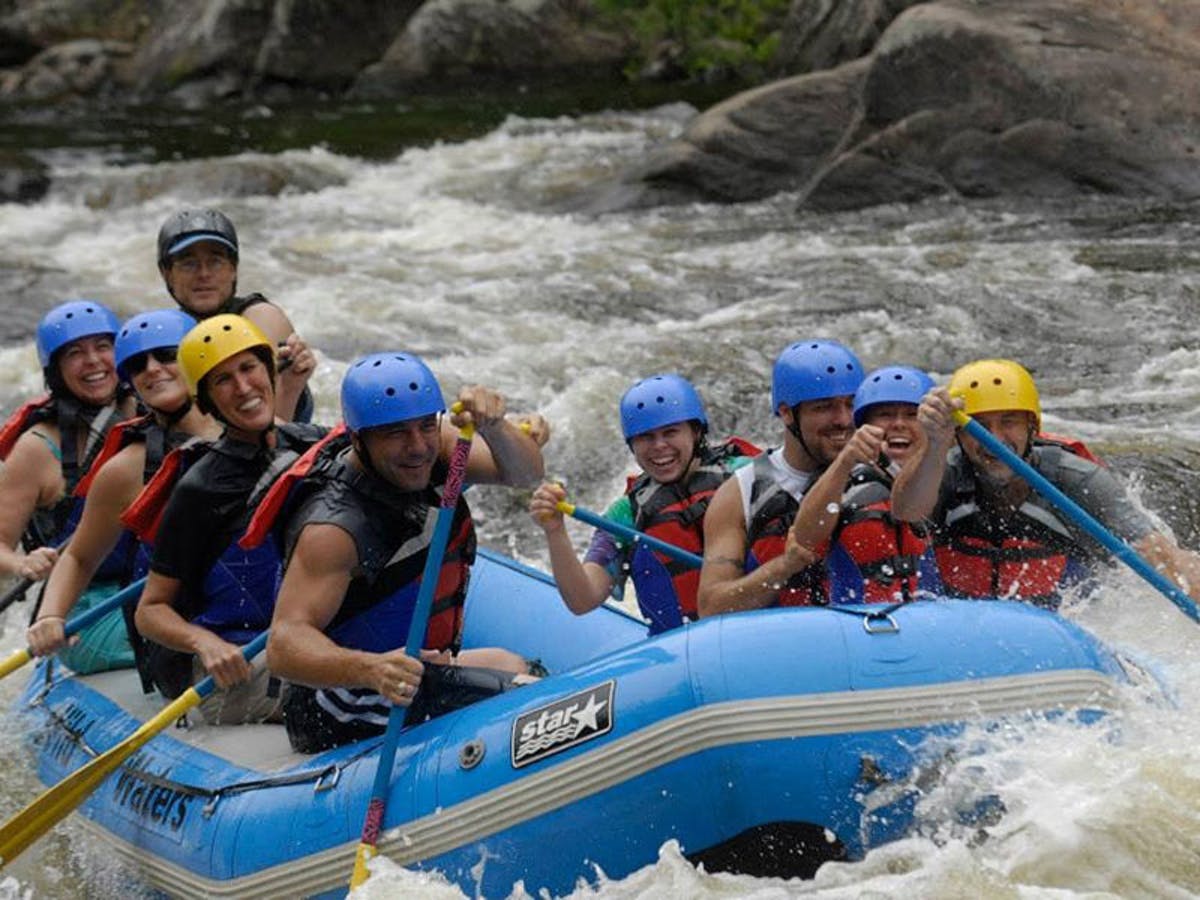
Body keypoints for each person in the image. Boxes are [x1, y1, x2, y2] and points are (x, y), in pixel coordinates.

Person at [266, 351, 544, 753]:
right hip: (340, 699)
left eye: (425, 426)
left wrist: (496, 426)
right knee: (524, 703)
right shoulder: (333, 529)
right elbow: (284, 644)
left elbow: (525, 474)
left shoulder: (441, 444)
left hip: (414, 670)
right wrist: (372, 669)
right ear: (358, 437)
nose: (417, 447)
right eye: (396, 433)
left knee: (525, 672)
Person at [132, 314, 326, 723]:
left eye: (249, 368)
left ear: (269, 372)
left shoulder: (315, 447)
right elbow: (150, 611)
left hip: (311, 644)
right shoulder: (200, 488)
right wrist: (202, 641)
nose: (242, 388)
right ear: (206, 401)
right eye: (222, 380)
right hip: (242, 667)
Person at [890, 358, 1200, 606]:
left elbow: (1159, 555)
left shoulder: (1076, 479)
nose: (994, 439)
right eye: (980, 426)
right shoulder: (946, 471)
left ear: (1032, 428)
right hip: (968, 624)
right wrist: (933, 444)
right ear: (958, 434)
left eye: (1008, 422)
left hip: (1068, 624)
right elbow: (906, 511)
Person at [26, 309, 222, 674]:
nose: (152, 369)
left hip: (245, 611)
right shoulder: (125, 468)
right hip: (178, 628)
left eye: (166, 356)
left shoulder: (258, 431)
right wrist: (51, 615)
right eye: (136, 365)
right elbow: (79, 556)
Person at [529, 373, 757, 633]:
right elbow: (582, 600)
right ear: (632, 445)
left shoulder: (748, 476)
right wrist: (555, 531)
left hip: (759, 632)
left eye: (670, 432)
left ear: (695, 432)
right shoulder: (626, 514)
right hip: (684, 651)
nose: (659, 446)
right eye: (646, 437)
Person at [696, 339, 865, 617]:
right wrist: (785, 566)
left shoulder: (883, 473)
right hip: (784, 646)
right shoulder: (740, 492)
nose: (844, 420)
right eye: (824, 407)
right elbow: (711, 607)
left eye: (850, 404)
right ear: (787, 414)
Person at [0, 300, 136, 582]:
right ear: (56, 371)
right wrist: (23, 564)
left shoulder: (154, 413)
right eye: (75, 353)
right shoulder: (37, 447)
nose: (93, 361)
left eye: (102, 346)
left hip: (156, 586)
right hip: (85, 597)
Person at [788, 365, 937, 605]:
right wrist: (846, 459)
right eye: (885, 415)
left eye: (912, 415)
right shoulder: (838, 483)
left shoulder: (948, 478)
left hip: (932, 623)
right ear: (863, 427)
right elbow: (805, 539)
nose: (899, 424)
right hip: (857, 625)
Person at [155, 207, 316, 422]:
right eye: (189, 264)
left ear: (233, 269)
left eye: (215, 261)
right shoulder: (161, 339)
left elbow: (268, 426)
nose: (204, 274)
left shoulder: (261, 318)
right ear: (167, 274)